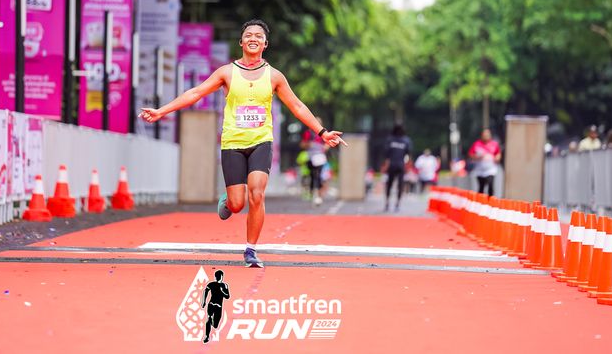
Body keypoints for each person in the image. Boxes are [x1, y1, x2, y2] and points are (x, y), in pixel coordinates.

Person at [139, 19, 347, 268]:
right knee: (238, 204)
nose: (253, 38)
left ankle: (250, 250)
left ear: (265, 44)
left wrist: (321, 132)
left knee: (256, 193)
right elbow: (196, 92)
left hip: (261, 141)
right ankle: (227, 202)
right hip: (232, 143)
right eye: (249, 35)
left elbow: (297, 105)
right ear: (241, 42)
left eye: (259, 36)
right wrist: (162, 111)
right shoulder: (227, 72)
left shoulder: (274, 76)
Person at [382, 124, 412, 212]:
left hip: (393, 165)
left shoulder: (390, 140)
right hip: (400, 165)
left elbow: (386, 154)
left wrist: (386, 165)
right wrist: (408, 165)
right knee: (399, 185)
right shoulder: (406, 140)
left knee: (390, 184)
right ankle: (396, 204)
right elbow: (408, 154)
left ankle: (389, 203)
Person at [301, 118, 330, 206]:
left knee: (319, 176)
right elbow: (303, 144)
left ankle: (318, 195)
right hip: (310, 157)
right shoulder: (308, 133)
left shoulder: (324, 132)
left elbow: (328, 142)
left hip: (320, 158)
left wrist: (325, 147)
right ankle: (312, 192)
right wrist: (308, 144)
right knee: (313, 175)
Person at [468, 128, 502, 196]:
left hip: (490, 170)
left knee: (490, 185)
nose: (486, 136)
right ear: (482, 135)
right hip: (480, 170)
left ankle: (491, 200)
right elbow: (470, 154)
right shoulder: (477, 144)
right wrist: (477, 157)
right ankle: (480, 201)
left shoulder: (494, 144)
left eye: (487, 135)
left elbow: (498, 154)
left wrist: (497, 158)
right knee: (481, 187)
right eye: (484, 135)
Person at [201, 270, 229, 344]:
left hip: (217, 307)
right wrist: (204, 301)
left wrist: (222, 291)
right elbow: (206, 291)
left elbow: (227, 296)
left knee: (215, 325)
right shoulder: (212, 284)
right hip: (212, 304)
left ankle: (211, 322)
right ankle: (207, 336)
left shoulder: (224, 285)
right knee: (209, 318)